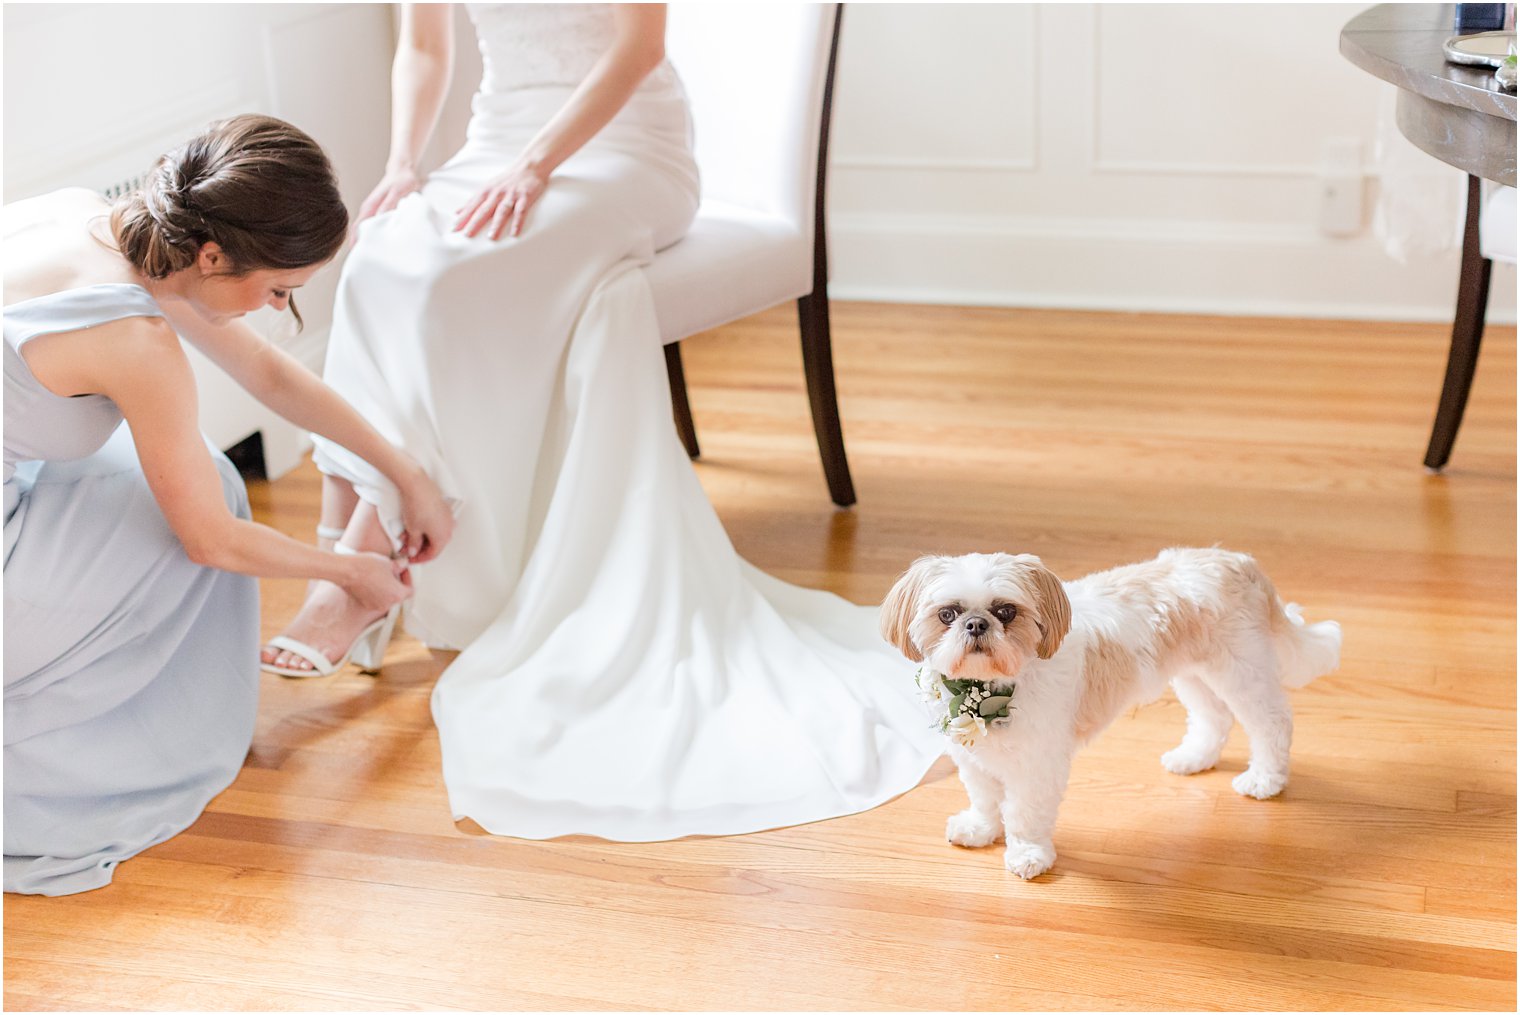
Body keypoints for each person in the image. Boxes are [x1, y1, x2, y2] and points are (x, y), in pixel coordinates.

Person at [267, 3, 942, 840]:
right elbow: (425, 45)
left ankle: (364, 551)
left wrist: (536, 167)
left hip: (622, 150)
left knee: (453, 286)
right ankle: (368, 542)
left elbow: (640, 47)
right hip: (491, 148)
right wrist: (405, 162)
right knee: (378, 262)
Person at [3, 114, 455, 895]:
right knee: (205, 506)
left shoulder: (93, 218)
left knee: (203, 472)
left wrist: (404, 471)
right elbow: (211, 541)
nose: (279, 308)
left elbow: (270, 375)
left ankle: (140, 711)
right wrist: (350, 574)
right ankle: (103, 749)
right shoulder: (132, 338)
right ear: (212, 254)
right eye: (279, 289)